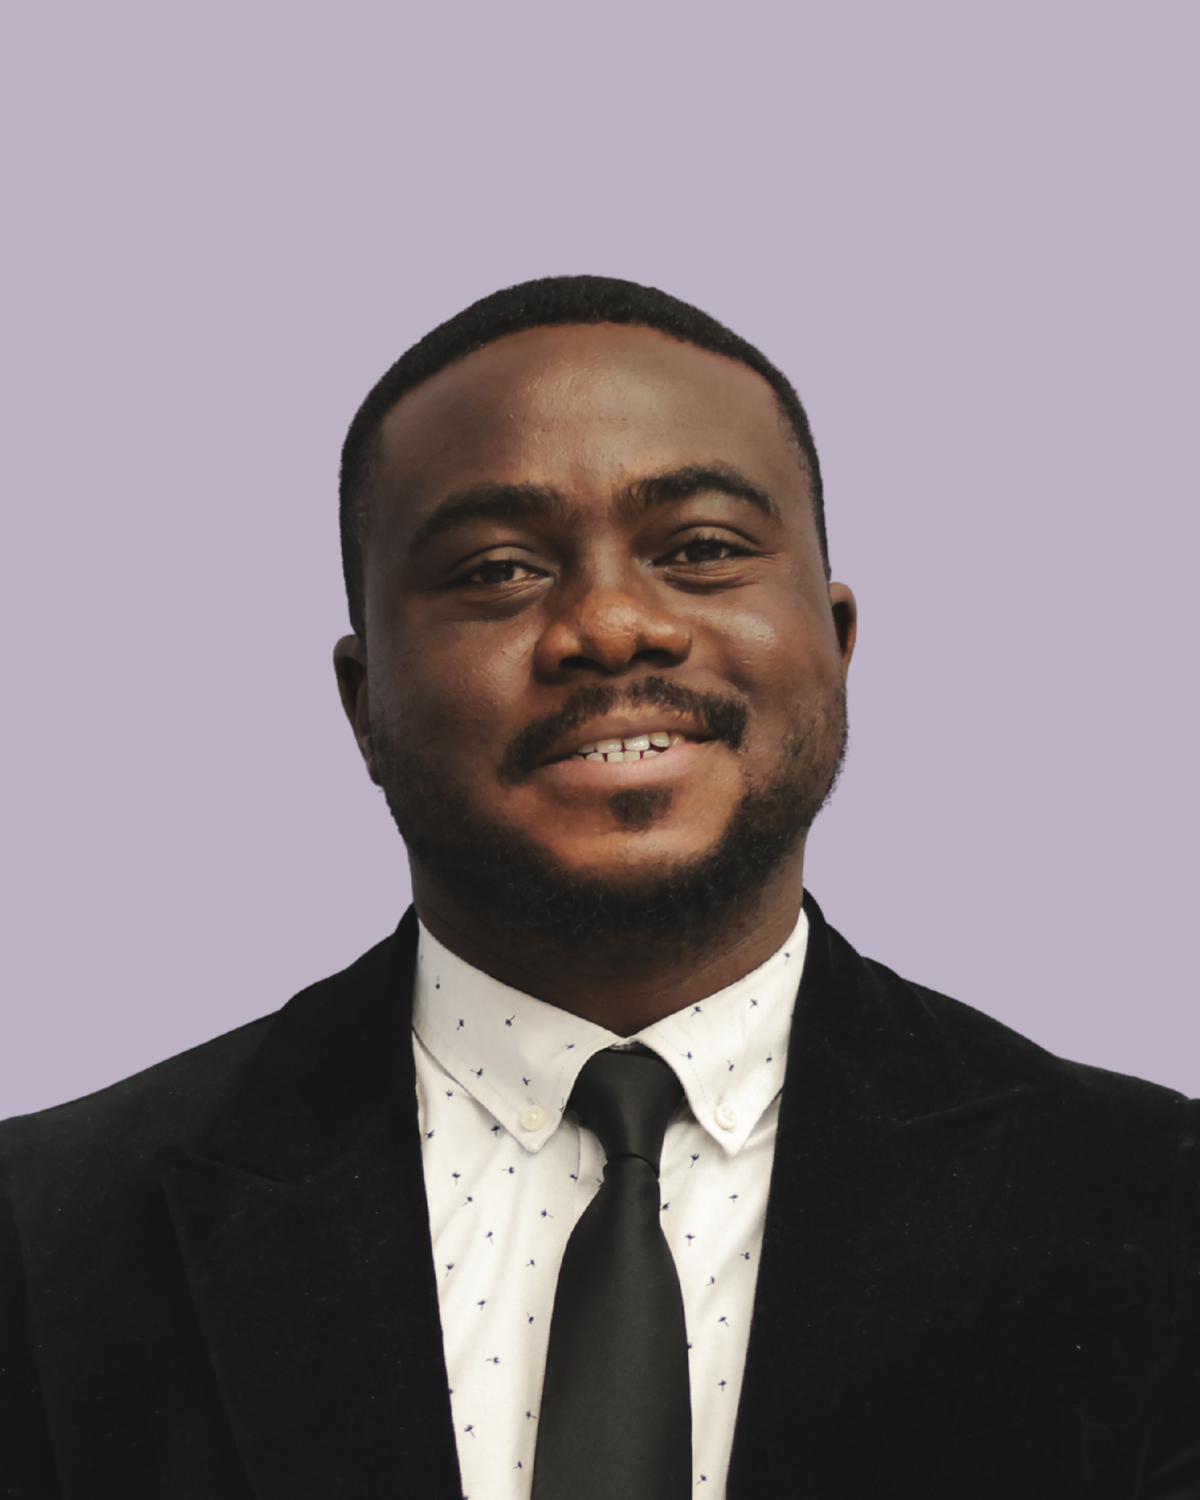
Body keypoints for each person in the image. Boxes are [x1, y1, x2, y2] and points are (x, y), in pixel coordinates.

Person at [1, 276, 1196, 1500]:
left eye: (704, 550)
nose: (613, 624)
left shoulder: (1160, 1208)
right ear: (364, 703)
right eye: (500, 570)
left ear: (836, 645)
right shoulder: (45, 1240)